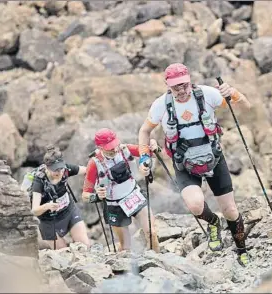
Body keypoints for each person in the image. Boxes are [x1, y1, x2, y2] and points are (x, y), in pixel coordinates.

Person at [138, 63, 252, 266]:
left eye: (184, 85)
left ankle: (242, 250)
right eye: (176, 87)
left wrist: (233, 93)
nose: (181, 91)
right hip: (184, 164)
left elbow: (246, 108)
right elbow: (145, 131)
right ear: (167, 85)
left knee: (231, 210)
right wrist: (144, 157)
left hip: (213, 158)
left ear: (190, 80)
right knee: (195, 205)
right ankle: (214, 223)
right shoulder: (161, 105)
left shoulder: (208, 94)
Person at [81, 128, 160, 253]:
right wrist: (96, 196)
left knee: (152, 232)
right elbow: (85, 195)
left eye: (115, 145)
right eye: (109, 147)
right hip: (114, 205)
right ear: (100, 147)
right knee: (126, 248)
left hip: (134, 195)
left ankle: (158, 262)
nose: (114, 149)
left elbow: (152, 153)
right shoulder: (93, 163)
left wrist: (155, 147)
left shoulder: (125, 149)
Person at [30, 145, 90, 250]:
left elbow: (87, 171)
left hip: (68, 211)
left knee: (85, 245)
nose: (59, 172)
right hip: (48, 220)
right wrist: (47, 206)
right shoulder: (38, 182)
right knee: (62, 251)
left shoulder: (65, 170)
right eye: (55, 169)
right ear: (47, 167)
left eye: (61, 168)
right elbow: (34, 210)